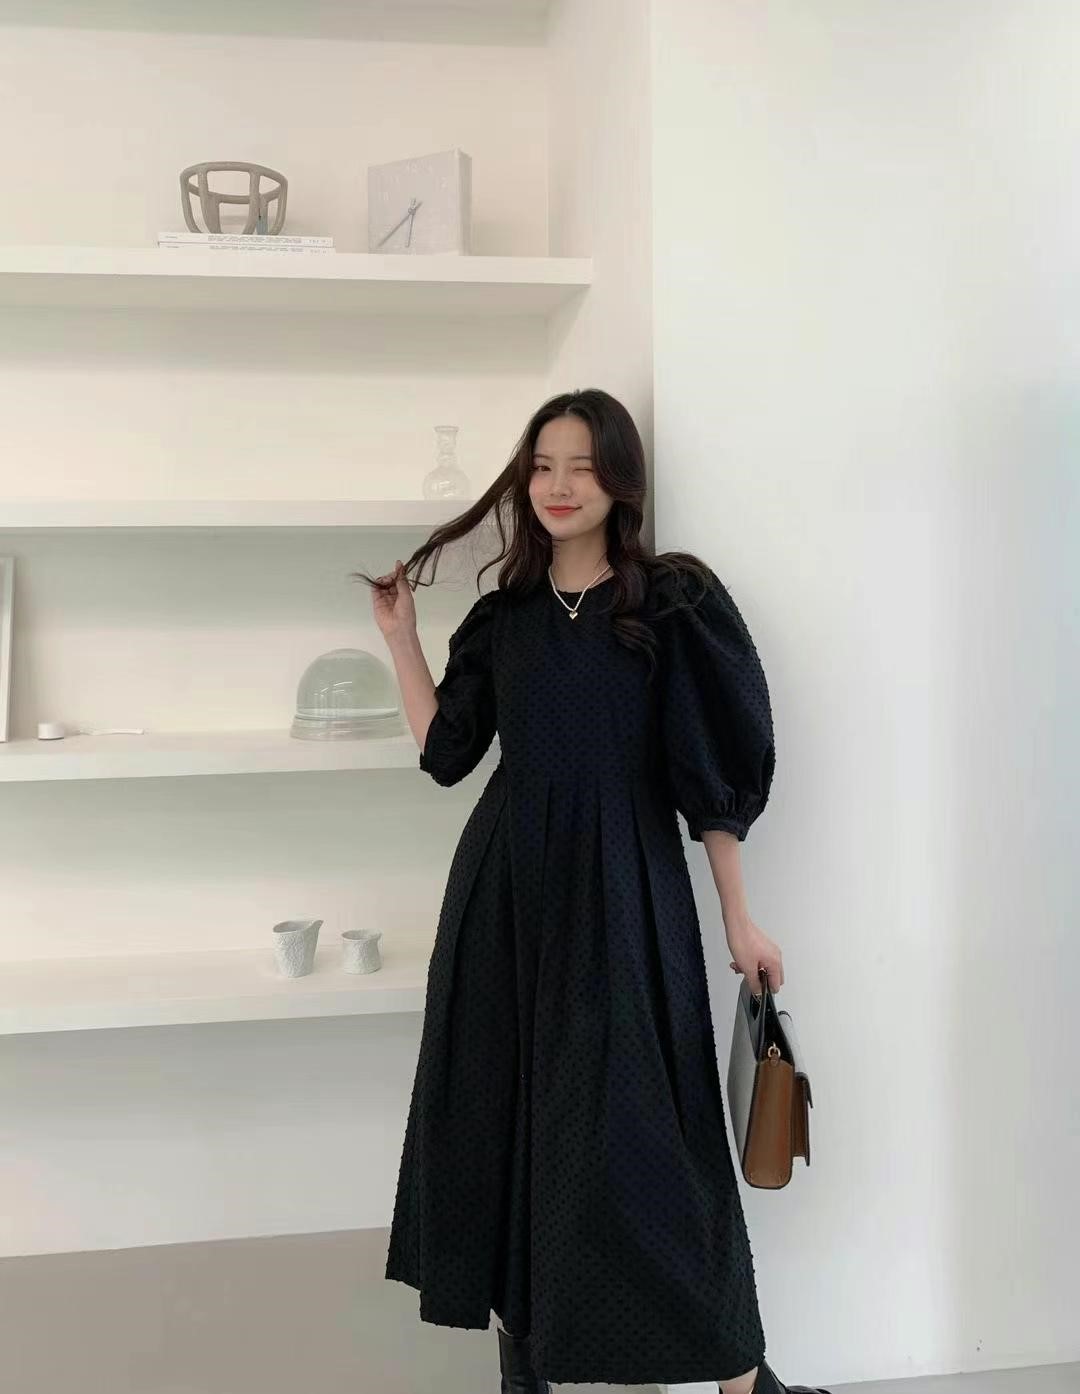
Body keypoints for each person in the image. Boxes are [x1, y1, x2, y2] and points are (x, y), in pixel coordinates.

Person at [358, 389, 828, 1394]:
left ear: (620, 478)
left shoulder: (669, 604)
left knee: (653, 1137)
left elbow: (708, 780)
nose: (558, 485)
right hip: (504, 895)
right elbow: (448, 754)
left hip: (627, 891)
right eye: (542, 465)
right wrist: (400, 638)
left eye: (580, 464)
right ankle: (523, 1365)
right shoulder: (505, 619)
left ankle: (743, 1376)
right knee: (503, 1116)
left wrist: (739, 918)